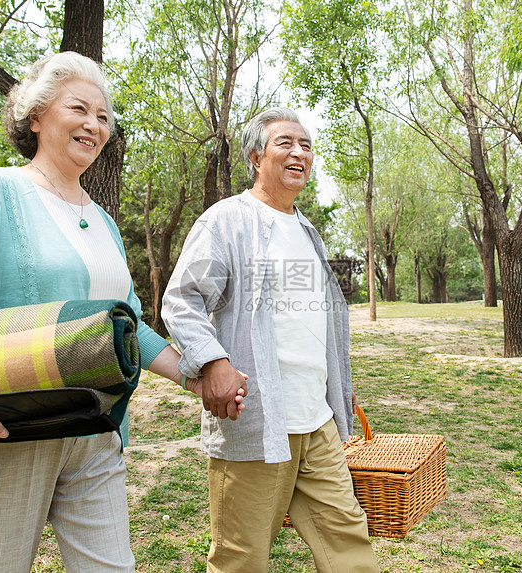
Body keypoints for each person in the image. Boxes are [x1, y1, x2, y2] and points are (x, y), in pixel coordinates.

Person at [0, 52, 223, 573]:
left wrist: (190, 375)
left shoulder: (103, 220)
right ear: (36, 115)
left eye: (104, 116)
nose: (94, 125)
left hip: (97, 430)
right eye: (79, 108)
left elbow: (123, 315)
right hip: (7, 430)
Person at [162, 107, 379, 573]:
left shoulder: (308, 232)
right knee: (242, 558)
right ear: (257, 157)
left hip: (317, 420)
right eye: (285, 143)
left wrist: (337, 382)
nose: (299, 152)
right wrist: (212, 361)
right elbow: (181, 301)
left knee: (349, 547)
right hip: (257, 420)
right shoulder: (226, 221)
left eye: (305, 145)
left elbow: (314, 321)